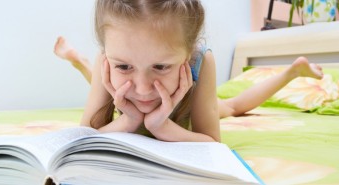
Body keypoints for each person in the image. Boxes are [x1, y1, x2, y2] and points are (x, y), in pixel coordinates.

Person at [54, 0, 323, 142]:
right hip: (119, 89)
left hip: (186, 103)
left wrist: (161, 126)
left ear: (187, 55)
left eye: (161, 66)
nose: (144, 88)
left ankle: (293, 72)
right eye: (123, 65)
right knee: (110, 85)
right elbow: (85, 137)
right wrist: (129, 120)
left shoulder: (201, 62)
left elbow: (211, 141)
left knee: (231, 106)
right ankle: (81, 63)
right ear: (107, 52)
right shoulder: (108, 59)